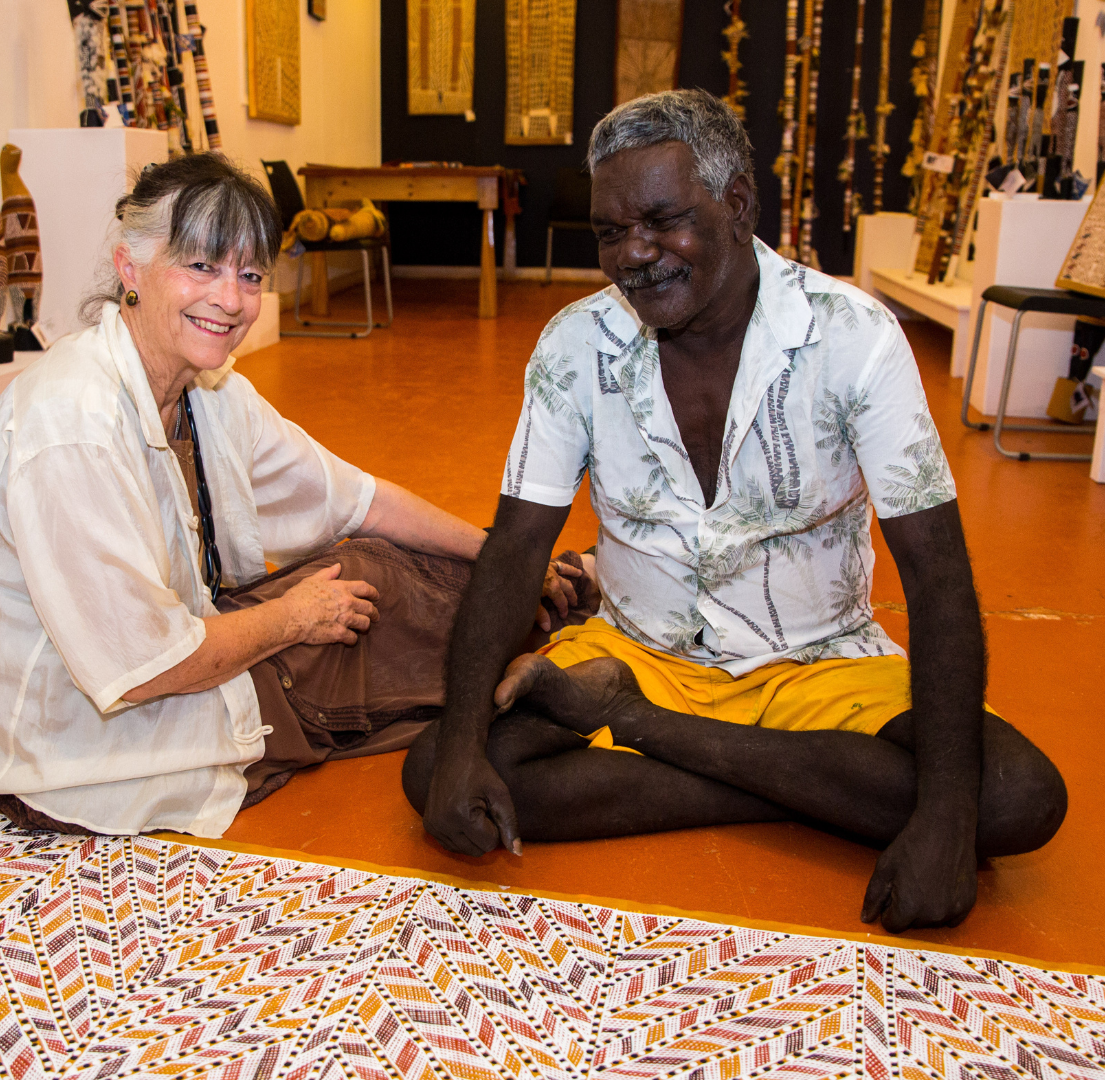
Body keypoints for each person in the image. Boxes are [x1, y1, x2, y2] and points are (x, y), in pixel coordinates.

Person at [403, 91, 1067, 932]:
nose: (636, 255)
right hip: (640, 649)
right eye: (611, 232)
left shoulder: (852, 336)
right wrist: (463, 747)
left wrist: (941, 821)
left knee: (1016, 798)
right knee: (437, 768)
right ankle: (802, 789)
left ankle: (643, 731)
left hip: (819, 661)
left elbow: (938, 580)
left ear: (739, 203)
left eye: (662, 221)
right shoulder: (577, 345)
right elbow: (515, 548)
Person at [0, 154, 577, 836]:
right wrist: (291, 619)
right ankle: (556, 651)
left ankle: (548, 614)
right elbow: (140, 671)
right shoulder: (71, 427)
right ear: (131, 269)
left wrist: (505, 553)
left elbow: (358, 500)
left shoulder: (209, 393)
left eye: (248, 276)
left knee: (372, 564)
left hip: (174, 648)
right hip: (75, 742)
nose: (231, 300)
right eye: (201, 268)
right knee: (361, 615)